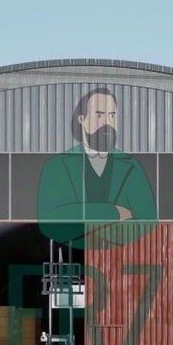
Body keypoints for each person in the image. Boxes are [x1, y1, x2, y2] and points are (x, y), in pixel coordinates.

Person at [37, 87, 156, 249]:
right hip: (71, 255)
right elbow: (50, 222)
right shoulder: (57, 166)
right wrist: (114, 212)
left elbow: (148, 222)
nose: (107, 122)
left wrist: (84, 224)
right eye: (99, 115)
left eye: (112, 115)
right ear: (82, 119)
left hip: (120, 258)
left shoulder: (132, 165)